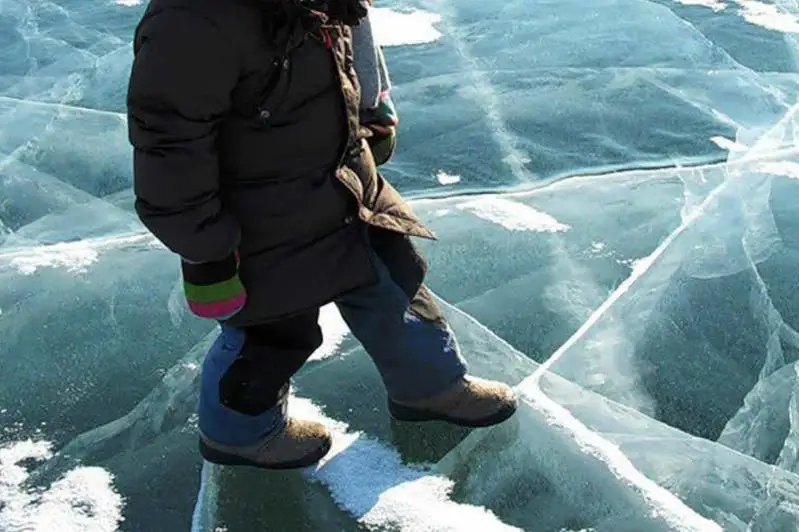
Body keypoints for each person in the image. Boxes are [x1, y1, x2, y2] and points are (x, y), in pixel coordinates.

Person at [126, 0, 518, 470]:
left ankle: (432, 388)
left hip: (348, 186)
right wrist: (206, 247)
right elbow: (168, 147)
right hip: (260, 223)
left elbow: (356, 41)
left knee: (395, 286)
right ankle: (238, 433)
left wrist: (373, 110)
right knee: (271, 332)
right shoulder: (192, 21)